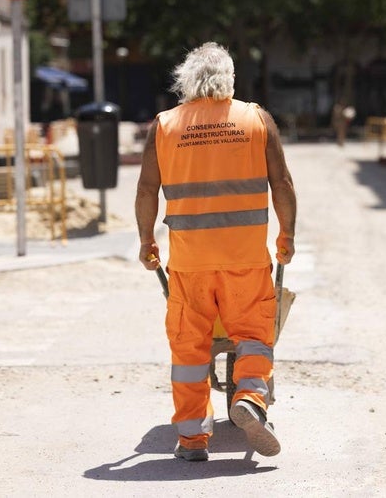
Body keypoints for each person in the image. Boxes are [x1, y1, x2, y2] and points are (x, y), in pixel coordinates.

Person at [135, 42, 297, 462]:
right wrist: (287, 237)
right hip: (245, 259)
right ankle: (249, 397)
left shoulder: (165, 125)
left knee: (190, 348)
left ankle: (192, 438)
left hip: (190, 263)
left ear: (186, 79)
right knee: (256, 336)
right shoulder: (256, 119)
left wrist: (146, 241)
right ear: (229, 79)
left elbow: (147, 189)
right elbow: (282, 183)